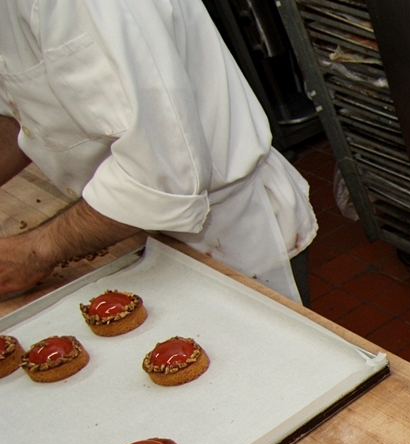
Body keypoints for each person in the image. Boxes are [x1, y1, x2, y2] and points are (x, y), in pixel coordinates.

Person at [0, 0, 316, 302]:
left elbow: (160, 176)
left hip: (224, 237)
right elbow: (23, 113)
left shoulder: (88, 6)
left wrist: (35, 251)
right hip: (129, 227)